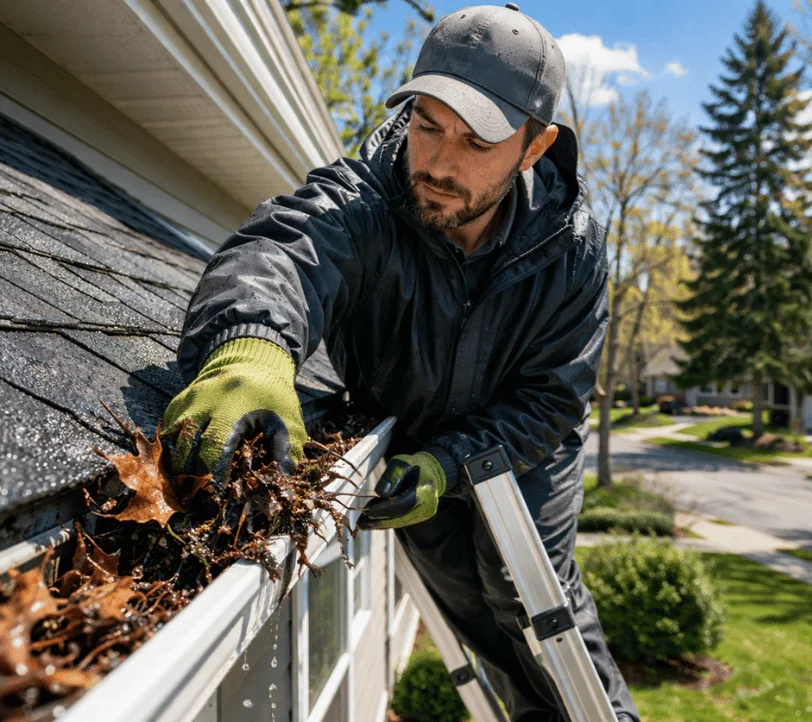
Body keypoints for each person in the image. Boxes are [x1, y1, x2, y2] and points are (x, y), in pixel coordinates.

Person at [162, 4, 639, 720]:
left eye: (478, 141)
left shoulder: (571, 252)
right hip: (413, 451)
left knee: (527, 593)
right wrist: (250, 346)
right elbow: (285, 250)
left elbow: (551, 400)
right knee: (472, 614)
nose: (441, 165)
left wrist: (455, 463)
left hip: (523, 459)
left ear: (534, 147)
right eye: (427, 125)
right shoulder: (368, 199)